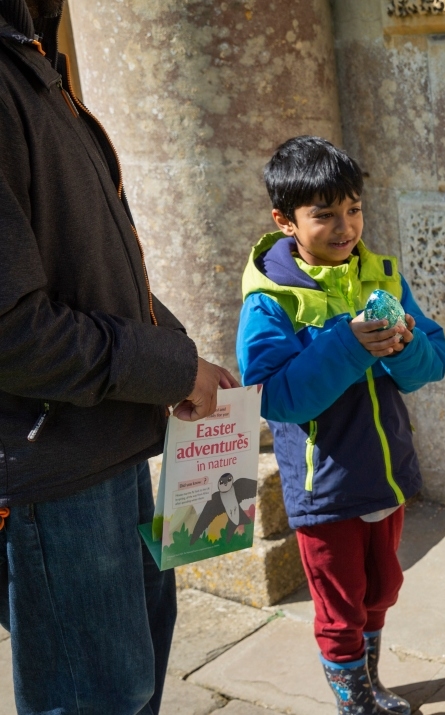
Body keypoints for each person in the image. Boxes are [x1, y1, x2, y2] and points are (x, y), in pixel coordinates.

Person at [0, 0, 237, 712]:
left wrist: (174, 351)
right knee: (98, 696)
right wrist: (163, 366)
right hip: (55, 468)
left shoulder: (32, 51)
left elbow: (83, 266)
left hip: (106, 438)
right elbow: (14, 332)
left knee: (130, 686)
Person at [237, 136, 445, 715]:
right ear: (285, 221)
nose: (345, 226)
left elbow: (432, 364)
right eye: (324, 214)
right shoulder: (269, 300)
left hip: (385, 478)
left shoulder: (380, 274)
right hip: (324, 491)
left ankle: (371, 688)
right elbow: (275, 396)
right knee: (339, 609)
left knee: (380, 592)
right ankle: (354, 706)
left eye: (353, 208)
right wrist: (349, 344)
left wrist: (402, 345)